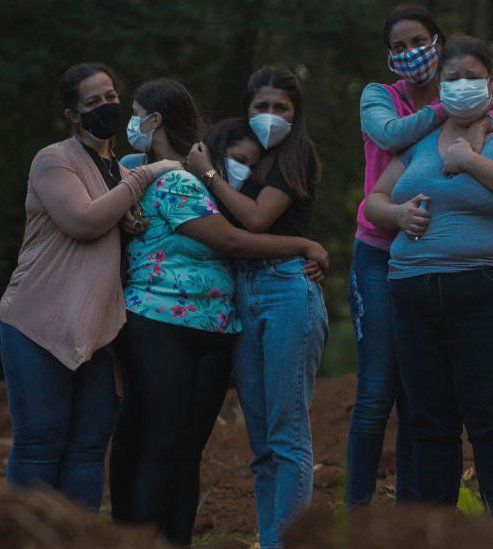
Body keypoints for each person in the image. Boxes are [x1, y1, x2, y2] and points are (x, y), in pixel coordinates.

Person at [108, 79, 328, 546]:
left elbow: (245, 226)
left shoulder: (221, 191)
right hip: (160, 321)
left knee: (196, 448)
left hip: (221, 322)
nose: (242, 168)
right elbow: (233, 239)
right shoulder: (161, 175)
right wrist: (306, 243)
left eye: (250, 164)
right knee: (164, 443)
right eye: (261, 105)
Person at [347, 2, 493, 507]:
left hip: (489, 286)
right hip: (399, 275)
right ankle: (396, 523)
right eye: (399, 47)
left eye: (469, 78)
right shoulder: (400, 115)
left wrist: (474, 147)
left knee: (484, 413)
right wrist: (396, 213)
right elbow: (377, 191)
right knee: (403, 409)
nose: (411, 54)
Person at [0, 63, 180, 510]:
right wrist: (145, 176)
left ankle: (76, 538)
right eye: (93, 102)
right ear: (73, 114)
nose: (107, 106)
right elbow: (81, 221)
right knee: (41, 441)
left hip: (96, 329)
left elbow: (110, 224)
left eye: (111, 96)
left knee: (87, 446)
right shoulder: (54, 159)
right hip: (36, 322)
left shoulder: (116, 167)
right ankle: (26, 539)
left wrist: (130, 214)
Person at [184, 66, 328, 549]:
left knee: (288, 434)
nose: (270, 116)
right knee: (262, 442)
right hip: (243, 293)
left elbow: (255, 221)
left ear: (295, 113)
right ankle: (272, 539)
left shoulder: (297, 154)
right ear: (247, 111)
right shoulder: (244, 163)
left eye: (281, 108)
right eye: (261, 107)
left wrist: (205, 171)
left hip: (288, 290)